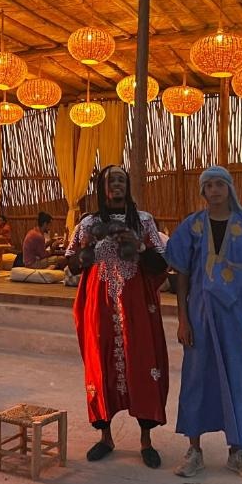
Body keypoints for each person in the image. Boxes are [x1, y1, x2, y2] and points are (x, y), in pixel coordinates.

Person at [166, 166, 242, 481]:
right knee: (196, 379)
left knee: (236, 381)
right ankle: (194, 451)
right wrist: (183, 320)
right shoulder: (191, 227)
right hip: (200, 317)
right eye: (208, 186)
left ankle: (237, 451)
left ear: (230, 188)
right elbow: (182, 278)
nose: (214, 190)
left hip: (237, 319)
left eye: (219, 184)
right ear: (202, 192)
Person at [65, 165, 170, 468]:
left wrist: (137, 246)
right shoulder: (88, 223)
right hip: (100, 303)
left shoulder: (145, 221)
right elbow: (70, 264)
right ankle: (105, 437)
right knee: (101, 364)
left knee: (143, 363)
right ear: (101, 188)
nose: (117, 185)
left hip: (137, 303)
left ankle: (146, 441)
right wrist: (91, 250)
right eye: (111, 181)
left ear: (129, 186)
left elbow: (161, 263)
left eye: (122, 180)